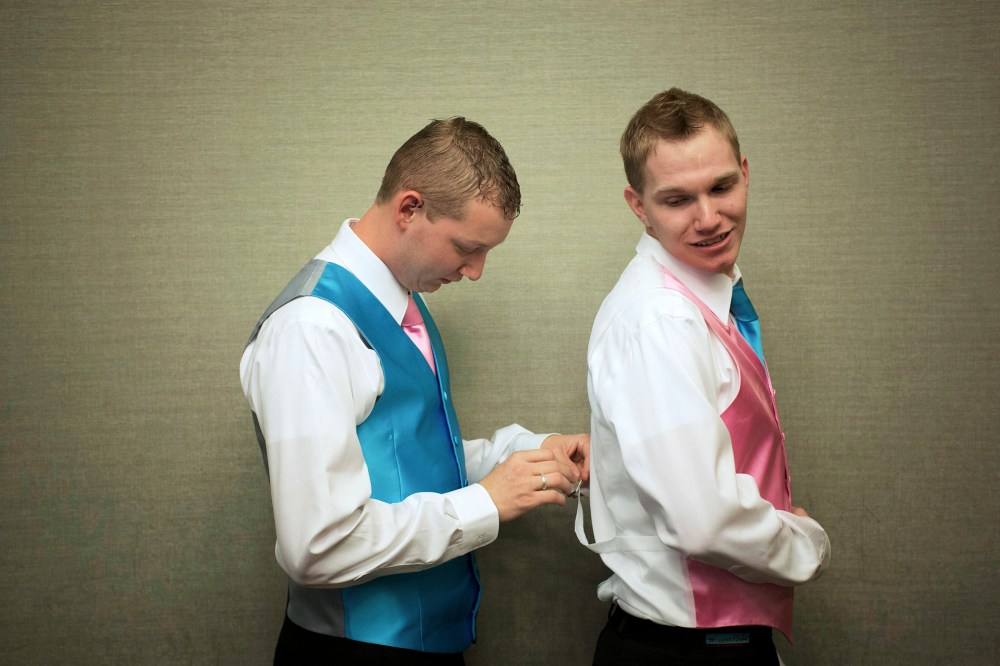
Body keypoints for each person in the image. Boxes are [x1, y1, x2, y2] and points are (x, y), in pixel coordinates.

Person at [241, 117, 589, 665]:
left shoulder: (400, 302)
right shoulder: (312, 329)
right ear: (409, 208)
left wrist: (529, 453)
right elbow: (317, 546)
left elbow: (405, 459)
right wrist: (486, 504)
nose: (475, 272)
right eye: (467, 247)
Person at [577, 88, 831, 665]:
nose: (709, 218)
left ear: (745, 173)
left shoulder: (701, 300)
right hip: (682, 650)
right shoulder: (660, 320)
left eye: (721, 187)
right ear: (637, 205)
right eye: (676, 199)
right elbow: (703, 521)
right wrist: (806, 545)